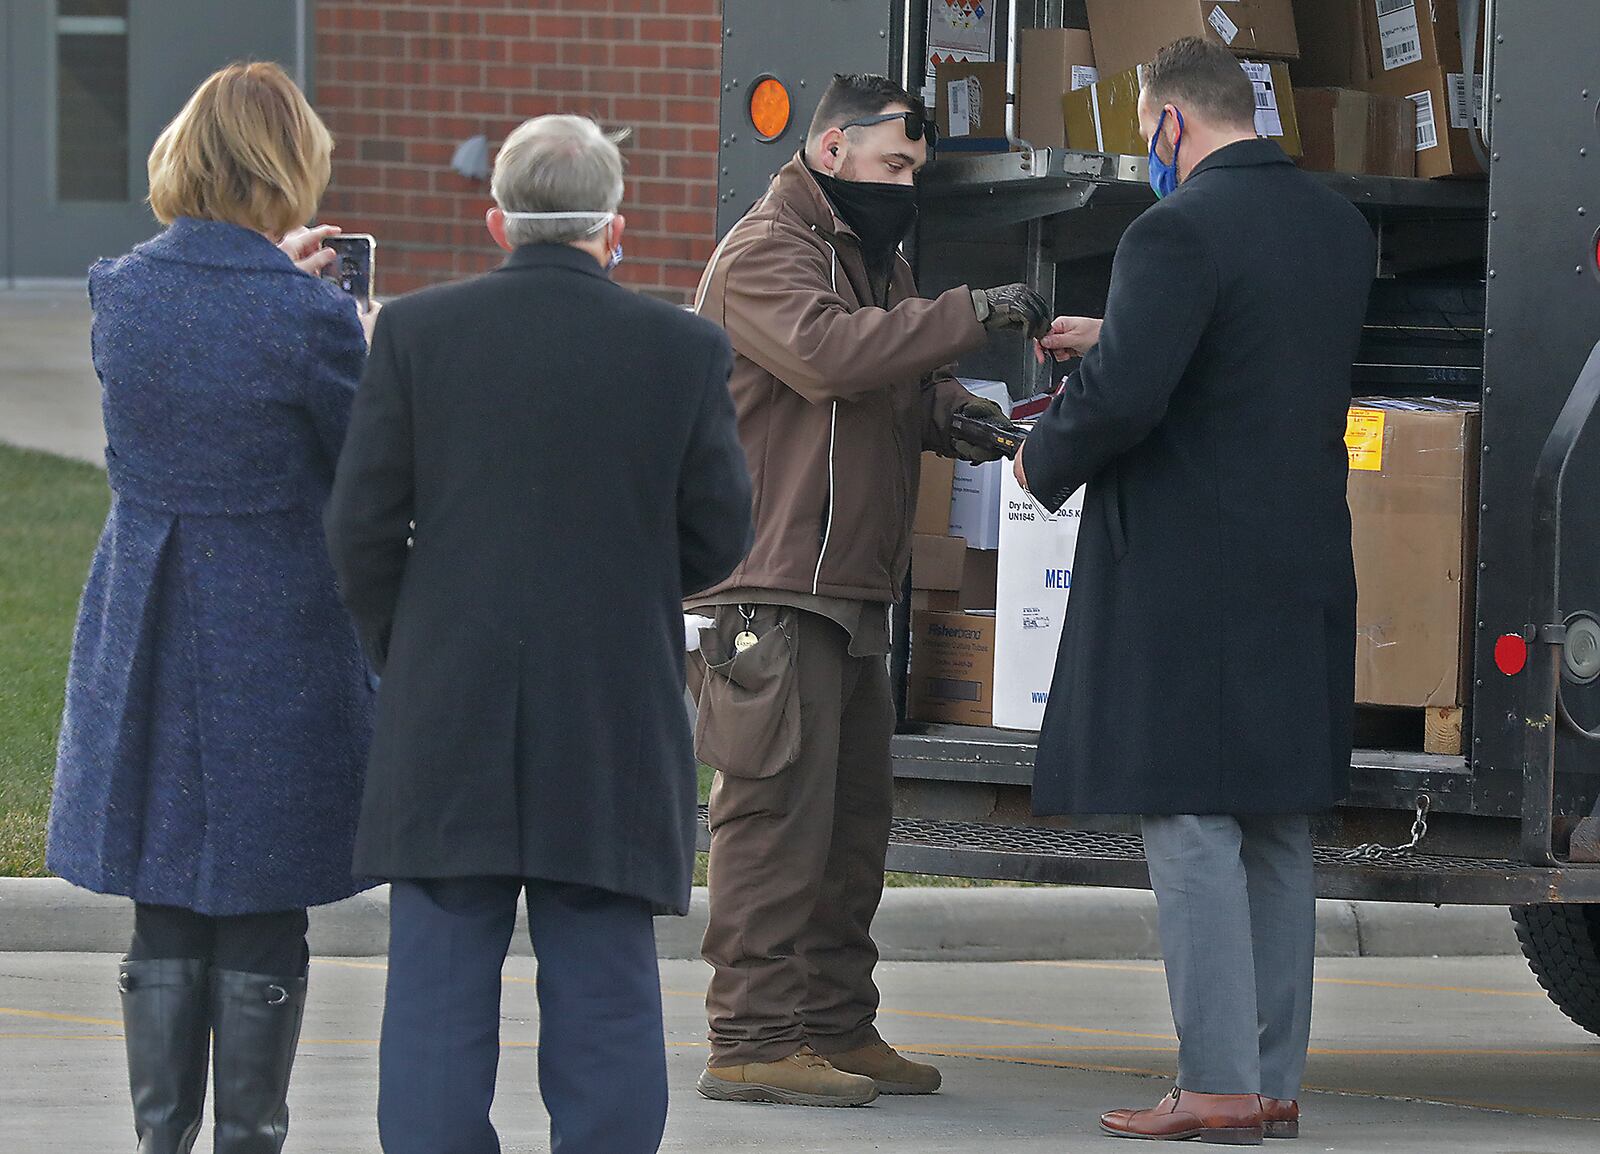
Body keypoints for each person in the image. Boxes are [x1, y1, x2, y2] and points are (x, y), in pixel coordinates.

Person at [324, 113, 752, 1154]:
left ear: (496, 220)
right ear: (617, 227)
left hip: (447, 694)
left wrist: (406, 645)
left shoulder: (418, 335)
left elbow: (360, 529)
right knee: (605, 980)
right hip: (608, 696)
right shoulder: (684, 347)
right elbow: (719, 529)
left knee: (436, 981)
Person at [1017, 38, 1376, 1143]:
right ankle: (1267, 1078)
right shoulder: (1337, 227)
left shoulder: (1170, 228)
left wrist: (1039, 458)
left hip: (1188, 575)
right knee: (1275, 819)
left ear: (1169, 120)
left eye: (1145, 128)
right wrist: (1121, 334)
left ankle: (1213, 1078)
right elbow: (1242, 358)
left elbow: (1126, 400)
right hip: (1301, 557)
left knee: (1188, 816)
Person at [688, 72, 1052, 1108]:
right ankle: (752, 1037)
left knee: (848, 828)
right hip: (773, 588)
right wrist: (965, 315)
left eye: (916, 168)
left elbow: (892, 380)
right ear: (832, 150)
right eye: (895, 163)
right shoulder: (768, 250)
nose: (907, 182)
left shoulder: (869, 255)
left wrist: (961, 417)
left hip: (846, 586)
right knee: (772, 822)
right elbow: (828, 356)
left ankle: (835, 1023)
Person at [45, 61, 379, 1154]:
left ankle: (162, 1138)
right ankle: (248, 1136)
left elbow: (201, 344)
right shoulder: (309, 319)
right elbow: (364, 467)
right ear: (288, 163)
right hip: (272, 612)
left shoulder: (120, 290)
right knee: (262, 889)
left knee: (165, 885)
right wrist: (346, 323)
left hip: (143, 598)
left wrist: (280, 286)